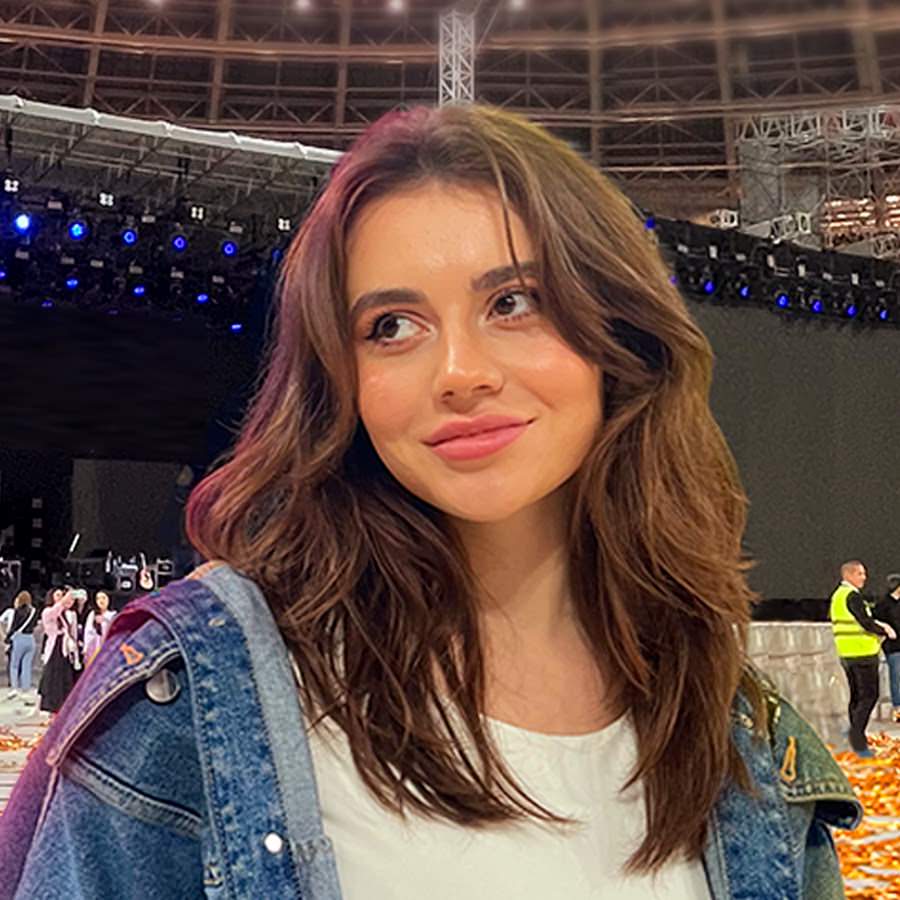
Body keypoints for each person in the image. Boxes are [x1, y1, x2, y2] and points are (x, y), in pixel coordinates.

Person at [0, 104, 861, 899]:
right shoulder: (192, 697)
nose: (459, 373)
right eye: (392, 327)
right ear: (341, 382)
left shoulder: (737, 725)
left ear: (621, 335)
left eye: (513, 303)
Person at [829, 560, 896, 756]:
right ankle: (857, 740)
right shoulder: (852, 596)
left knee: (857, 697)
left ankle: (856, 736)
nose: (864, 578)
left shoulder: (838, 596)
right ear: (848, 575)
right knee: (869, 696)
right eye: (860, 574)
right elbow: (865, 622)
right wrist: (885, 630)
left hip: (847, 653)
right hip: (862, 653)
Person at [36, 585, 81, 715]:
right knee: (52, 677)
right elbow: (54, 612)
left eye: (61, 595)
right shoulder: (47, 611)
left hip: (64, 648)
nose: (60, 597)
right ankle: (50, 707)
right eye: (57, 595)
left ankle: (63, 706)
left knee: (65, 677)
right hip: (55, 647)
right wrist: (64, 599)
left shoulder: (65, 614)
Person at [874, 572, 900, 724]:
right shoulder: (884, 604)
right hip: (893, 646)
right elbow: (874, 620)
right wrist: (886, 629)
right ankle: (898, 709)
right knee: (896, 677)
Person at [5, 591, 38, 700]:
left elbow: (14, 626)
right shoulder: (34, 611)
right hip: (30, 639)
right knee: (26, 665)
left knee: (14, 665)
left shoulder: (17, 611)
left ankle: (14, 688)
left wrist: (7, 639)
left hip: (19, 638)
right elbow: (34, 625)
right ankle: (25, 689)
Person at [82, 590, 117, 666]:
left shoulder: (113, 615)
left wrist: (105, 620)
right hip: (94, 646)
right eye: (98, 598)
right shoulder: (93, 614)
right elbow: (88, 632)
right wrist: (86, 648)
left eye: (103, 598)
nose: (101, 601)